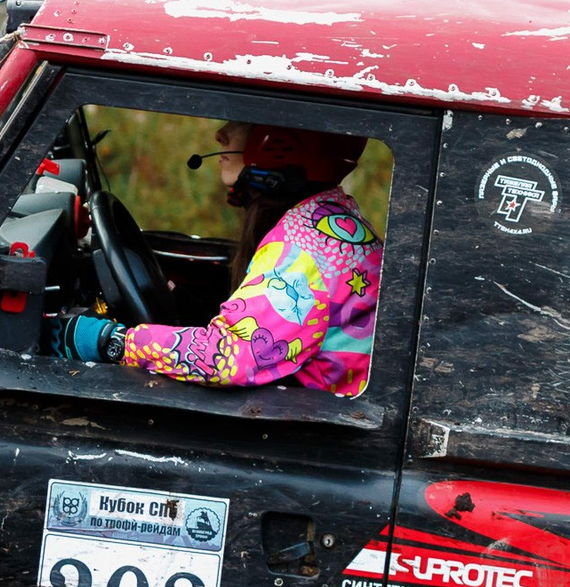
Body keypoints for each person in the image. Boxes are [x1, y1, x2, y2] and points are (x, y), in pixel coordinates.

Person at [46, 122, 382, 396]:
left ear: (278, 140)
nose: (220, 134)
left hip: (319, 438)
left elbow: (231, 358)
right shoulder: (325, 220)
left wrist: (110, 341)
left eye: (238, 122)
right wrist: (183, 304)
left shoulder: (304, 248)